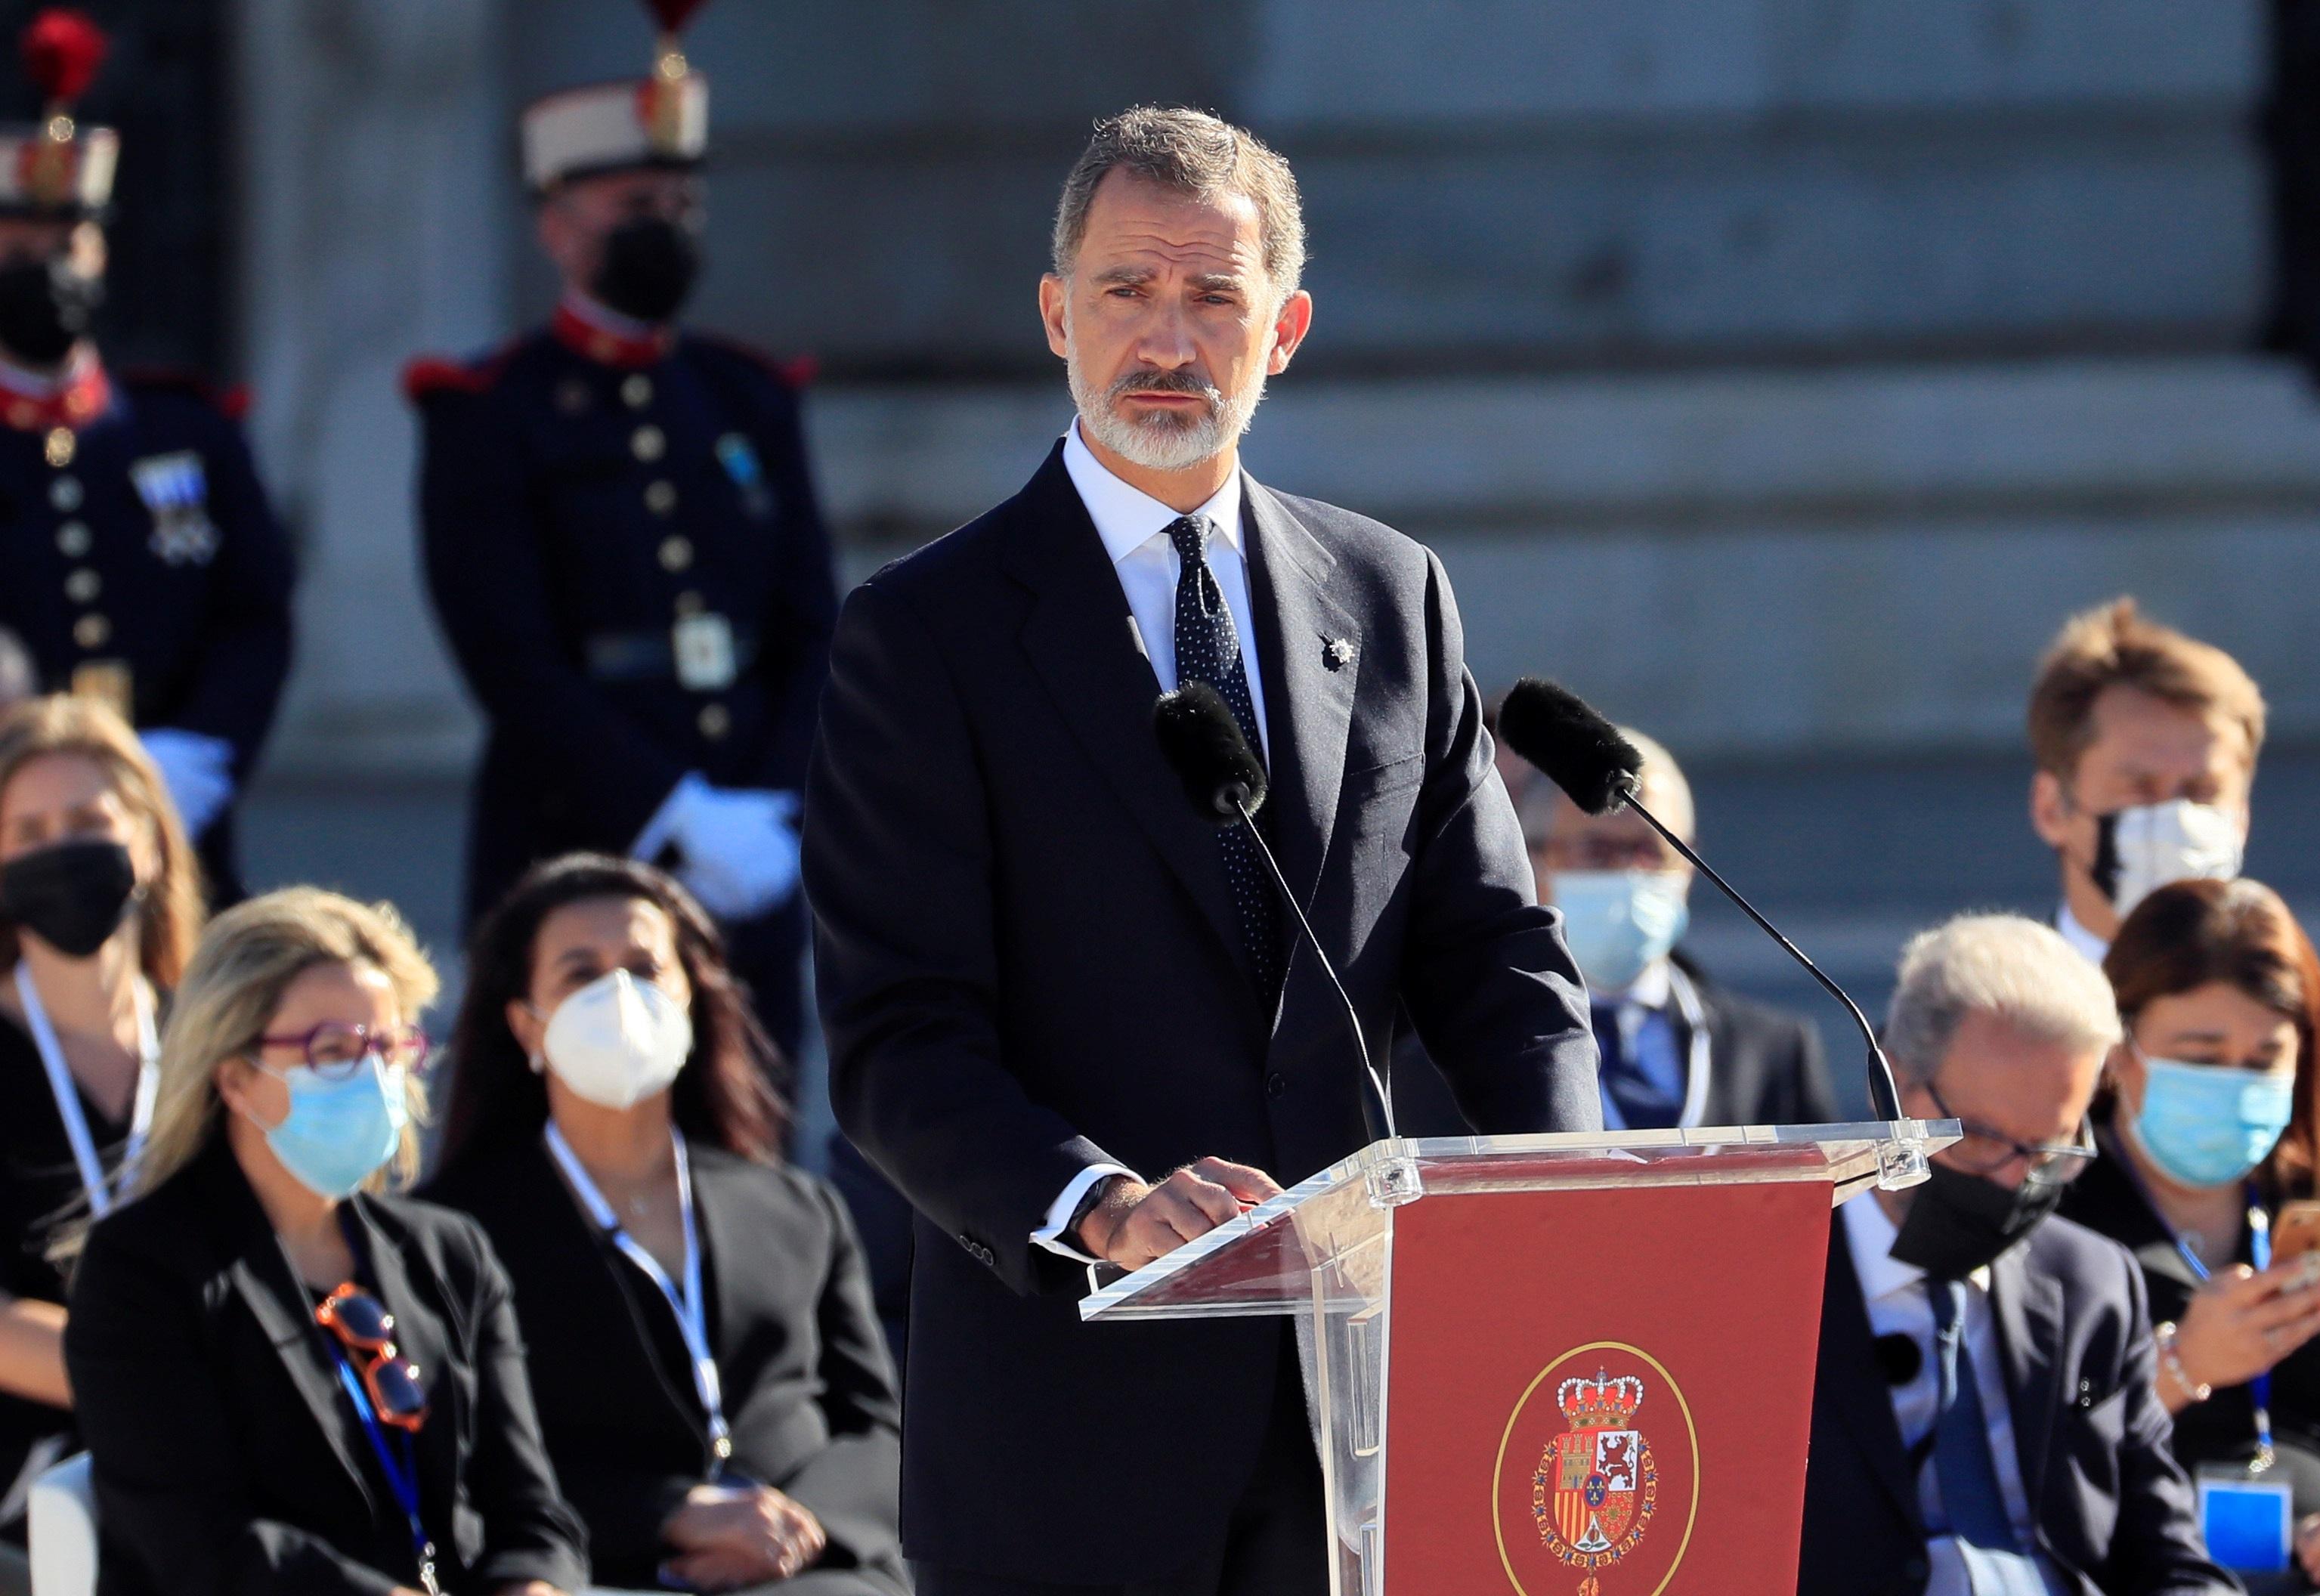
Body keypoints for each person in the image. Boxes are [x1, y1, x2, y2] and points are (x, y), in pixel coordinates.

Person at [803, 105, 1602, 1595]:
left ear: (1284, 327)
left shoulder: (1392, 593)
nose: (1165, 338)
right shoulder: (927, 638)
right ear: (1056, 314)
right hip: (1074, 1437)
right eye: (1124, 290)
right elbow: (896, 1040)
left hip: (1364, 1419)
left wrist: (1574, 1199)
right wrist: (1105, 1203)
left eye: (1213, 297)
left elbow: (1491, 950)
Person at [407, 1, 837, 1078]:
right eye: (635, 202)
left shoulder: (745, 396)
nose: (666, 224)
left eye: (683, 201)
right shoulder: (490, 410)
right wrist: (673, 811)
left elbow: (811, 623)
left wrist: (772, 811)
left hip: (754, 840)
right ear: (557, 223)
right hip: (575, 832)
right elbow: (507, 654)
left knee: (756, 1119)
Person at [60, 887, 587, 1596]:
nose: (373, 1076)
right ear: (237, 1075)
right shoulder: (142, 1268)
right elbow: (199, 1543)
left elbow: (533, 1513)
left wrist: (532, 1587)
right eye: (333, 1049)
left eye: (390, 1046)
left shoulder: (451, 1253)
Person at [422, 855, 905, 1594]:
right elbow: (455, 1457)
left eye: (646, 968)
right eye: (581, 974)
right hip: (594, 1574)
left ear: (692, 997)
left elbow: (879, 1429)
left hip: (815, 1572)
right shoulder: (448, 1229)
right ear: (525, 1024)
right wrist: (665, 1514)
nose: (619, 993)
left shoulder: (797, 1209)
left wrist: (799, 1526)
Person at [1799, 913, 2232, 1596]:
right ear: (1894, 1086)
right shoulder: (1773, 1283)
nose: (2012, 1179)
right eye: (1979, 1138)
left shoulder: (2092, 1284)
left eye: (2050, 1151)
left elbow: (2169, 1556)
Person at [0, 10, 293, 901]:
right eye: (21, 252)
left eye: (71, 246)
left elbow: (257, 614)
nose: (52, 270)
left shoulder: (188, 431)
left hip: (182, 827)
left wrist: (197, 755)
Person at [2059, 879, 2320, 1594]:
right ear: (2120, 1048)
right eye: (2202, 1057)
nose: (2235, 1086)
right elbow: (2027, 1443)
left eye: (2264, 1060)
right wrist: (2182, 1368)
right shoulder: (2054, 1214)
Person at [2026, 597, 2320, 1180]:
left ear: (2241, 814)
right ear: (2053, 808)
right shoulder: (1989, 1021)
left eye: (2202, 791)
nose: (2176, 816)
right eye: (2141, 788)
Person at [1399, 722, 1840, 1135]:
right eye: (1597, 851)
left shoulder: (1772, 1051)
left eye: (1652, 852)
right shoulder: (1449, 1058)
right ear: (1532, 860)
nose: (1628, 872)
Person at [0, 696, 200, 1583]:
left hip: (218, 1468)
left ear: (150, 843)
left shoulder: (221, 1045)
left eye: (88, 821)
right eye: (28, 829)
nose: (62, 848)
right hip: (28, 1487)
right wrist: (156, 1388)